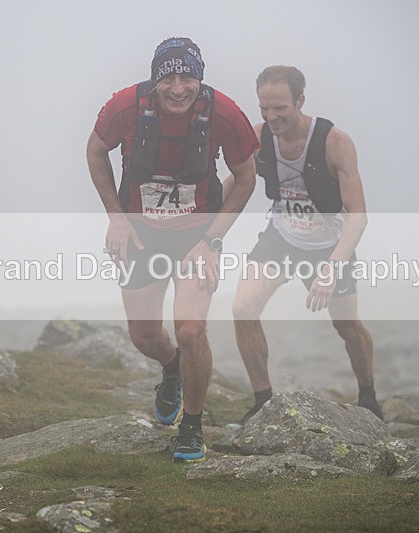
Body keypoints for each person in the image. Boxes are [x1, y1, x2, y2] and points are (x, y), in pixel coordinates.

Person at [86, 37, 258, 462]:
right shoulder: (125, 106)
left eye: (188, 77)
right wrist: (116, 216)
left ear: (200, 78)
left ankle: (192, 429)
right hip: (141, 231)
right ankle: (171, 368)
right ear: (155, 79)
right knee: (144, 335)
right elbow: (94, 149)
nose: (178, 88)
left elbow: (247, 178)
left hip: (197, 232)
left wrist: (211, 241)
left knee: (191, 329)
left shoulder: (226, 114)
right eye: (169, 78)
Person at [225, 65, 382, 423]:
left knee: (347, 327)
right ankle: (263, 400)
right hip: (281, 238)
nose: (271, 115)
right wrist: (200, 219)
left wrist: (331, 268)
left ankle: (369, 395)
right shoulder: (258, 136)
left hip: (329, 245)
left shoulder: (334, 142)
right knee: (242, 308)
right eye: (265, 107)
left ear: (300, 100)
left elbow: (358, 214)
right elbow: (235, 183)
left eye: (280, 107)